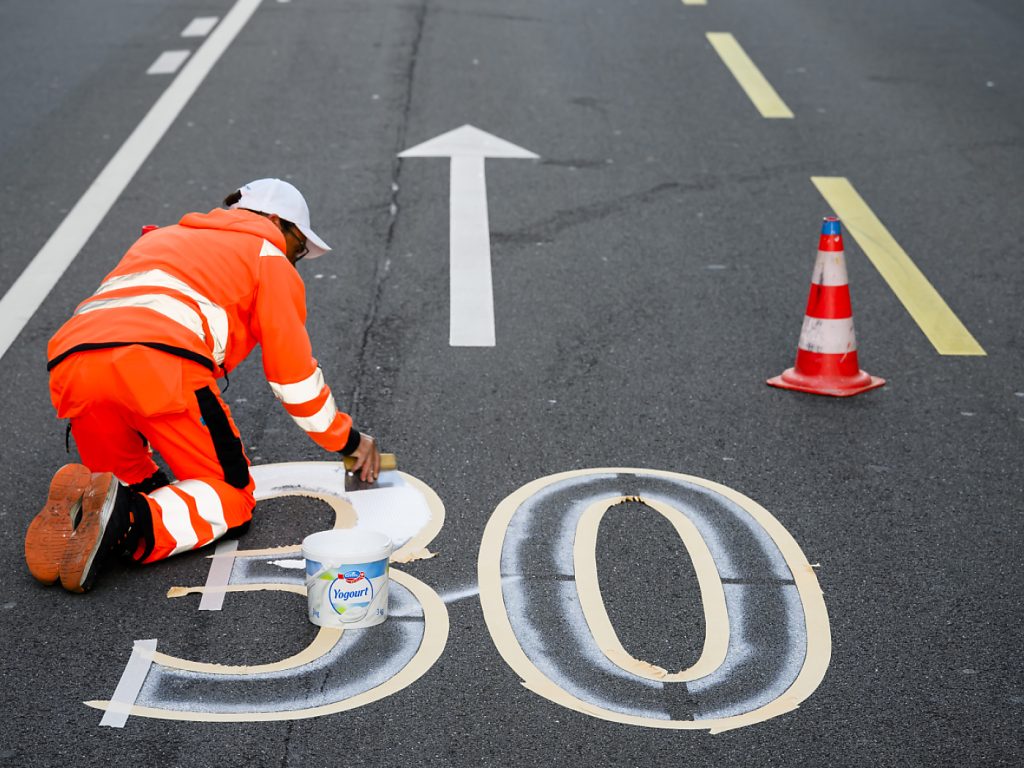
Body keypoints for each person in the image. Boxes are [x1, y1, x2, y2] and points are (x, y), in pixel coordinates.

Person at [24, 178, 381, 593]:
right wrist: (349, 441)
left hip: (73, 365)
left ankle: (87, 518)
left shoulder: (160, 239)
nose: (295, 258)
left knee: (133, 485)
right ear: (277, 222)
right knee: (231, 497)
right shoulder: (267, 255)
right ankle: (124, 520)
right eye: (299, 247)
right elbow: (294, 379)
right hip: (159, 364)